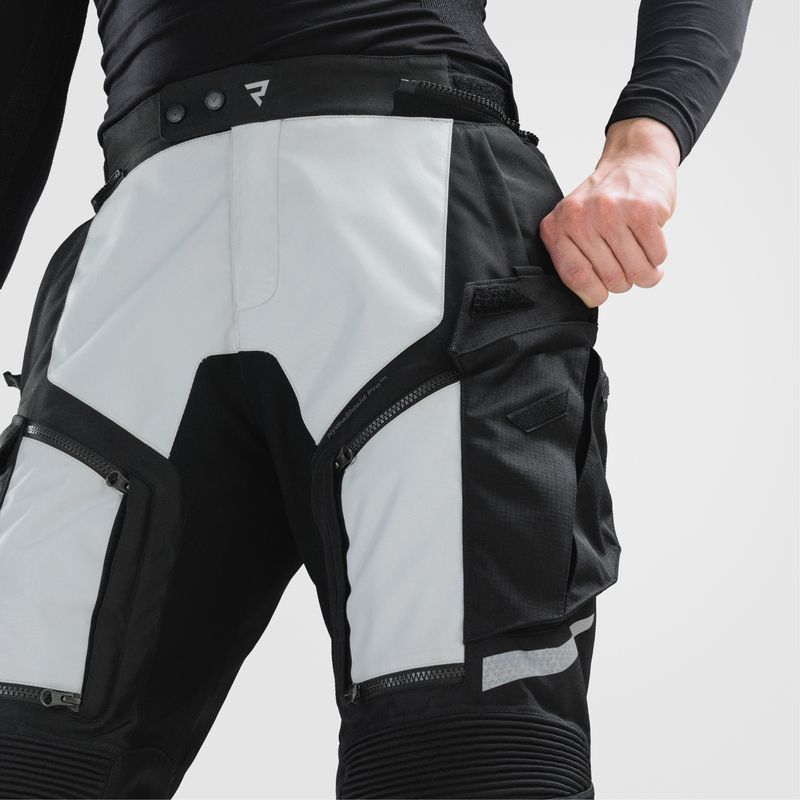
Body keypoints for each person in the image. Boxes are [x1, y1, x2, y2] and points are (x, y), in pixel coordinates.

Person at [0, 2, 751, 797]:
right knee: (30, 759)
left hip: (421, 208)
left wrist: (648, 140)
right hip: (142, 250)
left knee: (467, 760)